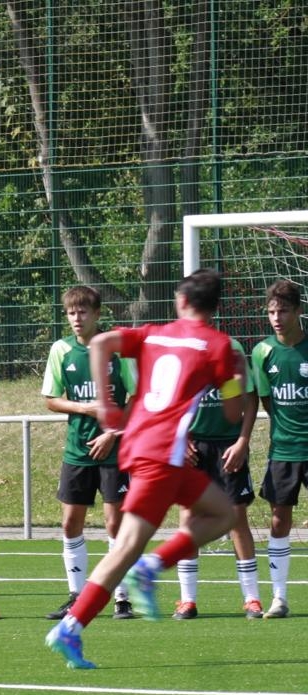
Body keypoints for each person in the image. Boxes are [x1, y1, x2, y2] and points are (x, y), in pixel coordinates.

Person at [46, 268, 246, 669]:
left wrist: (107, 404)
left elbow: (101, 343)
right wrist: (236, 376)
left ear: (181, 301)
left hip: (147, 448)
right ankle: (75, 624)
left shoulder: (155, 333)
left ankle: (143, 572)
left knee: (223, 513)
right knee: (127, 549)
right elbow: (232, 413)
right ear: (214, 307)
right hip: (162, 456)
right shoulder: (218, 345)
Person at [40, 285, 135, 620]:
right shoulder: (61, 350)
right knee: (70, 523)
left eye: (82, 311)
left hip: (115, 449)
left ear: (97, 313)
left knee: (115, 523)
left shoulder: (117, 349)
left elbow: (137, 398)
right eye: (71, 313)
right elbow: (51, 399)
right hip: (77, 450)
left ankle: (121, 597)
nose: (76, 318)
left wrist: (111, 432)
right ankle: (77, 596)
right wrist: (85, 408)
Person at [168, 328, 260, 620]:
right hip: (193, 447)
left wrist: (242, 442)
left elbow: (250, 397)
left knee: (236, 519)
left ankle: (252, 599)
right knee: (188, 518)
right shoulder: (177, 347)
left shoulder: (230, 347)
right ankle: (187, 600)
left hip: (228, 446)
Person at [251, 279, 308, 619]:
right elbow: (267, 401)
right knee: (278, 519)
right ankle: (279, 597)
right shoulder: (262, 352)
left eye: (283, 311)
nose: (276, 318)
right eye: (271, 312)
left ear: (298, 311)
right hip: (283, 450)